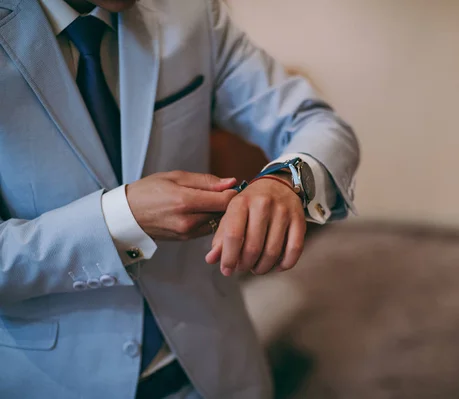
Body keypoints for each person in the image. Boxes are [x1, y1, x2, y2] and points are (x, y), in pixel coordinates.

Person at [0, 0, 359, 398]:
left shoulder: (192, 11)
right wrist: (120, 220)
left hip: (217, 366)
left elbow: (316, 122)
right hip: (50, 381)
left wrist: (285, 181)